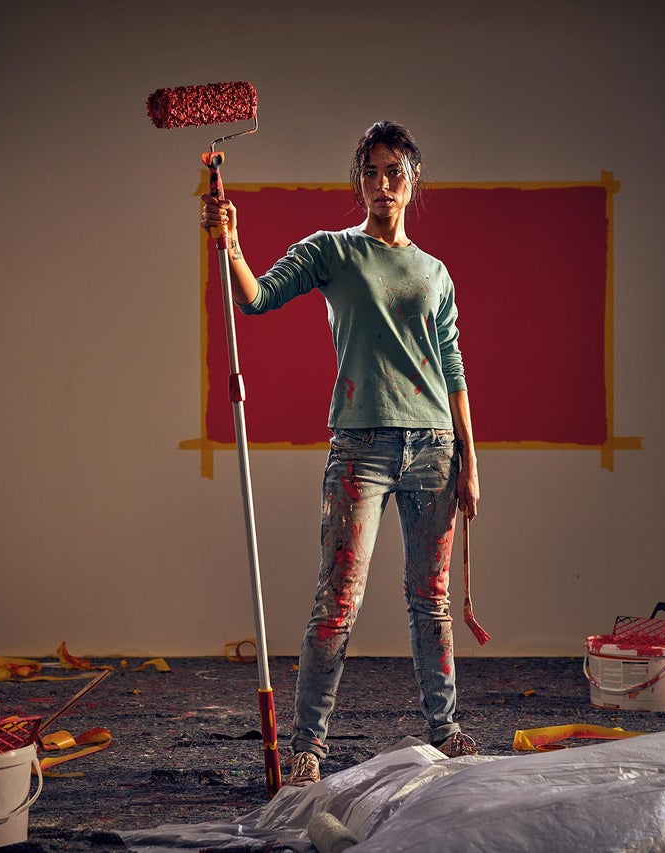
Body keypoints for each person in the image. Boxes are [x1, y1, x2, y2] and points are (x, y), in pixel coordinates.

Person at [200, 120, 480, 788]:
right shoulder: (333, 251)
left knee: (431, 602)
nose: (383, 185)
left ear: (413, 179)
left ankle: (445, 729)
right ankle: (308, 747)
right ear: (359, 181)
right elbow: (257, 297)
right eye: (371, 172)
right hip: (361, 446)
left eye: (395, 172)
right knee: (337, 604)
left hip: (434, 447)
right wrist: (230, 242)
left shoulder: (435, 273)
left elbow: (453, 368)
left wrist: (472, 457)